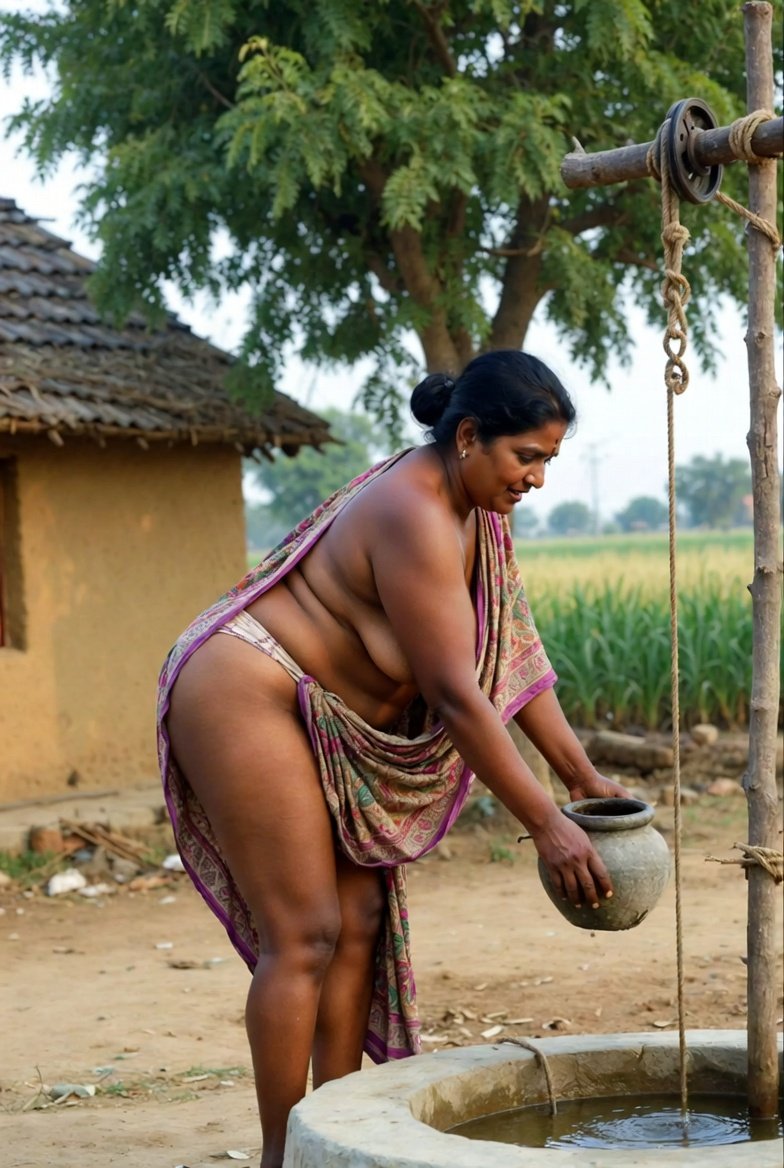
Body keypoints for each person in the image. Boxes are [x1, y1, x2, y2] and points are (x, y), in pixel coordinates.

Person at [156, 349, 628, 1168]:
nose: (537, 481)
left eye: (550, 461)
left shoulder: (478, 515)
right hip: (248, 686)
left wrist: (582, 779)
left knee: (361, 924)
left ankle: (337, 1134)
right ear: (471, 436)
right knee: (304, 934)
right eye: (527, 458)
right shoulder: (414, 511)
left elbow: (506, 659)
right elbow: (455, 695)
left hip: (325, 714)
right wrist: (548, 826)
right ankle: (284, 1154)